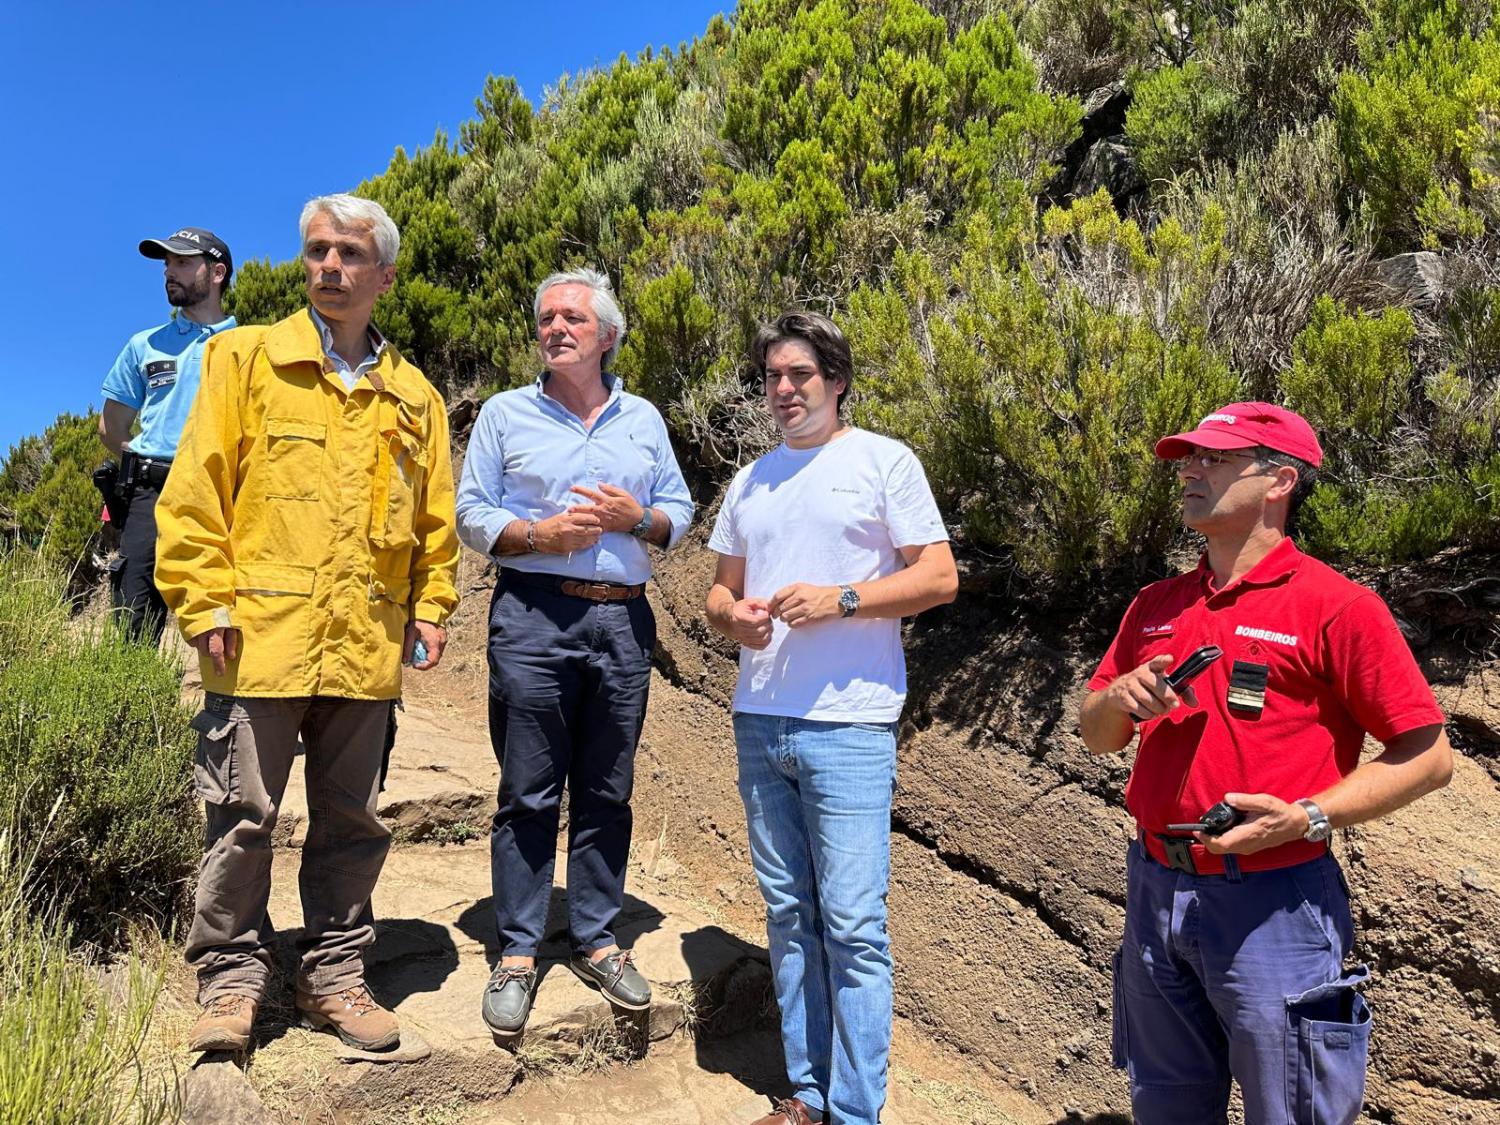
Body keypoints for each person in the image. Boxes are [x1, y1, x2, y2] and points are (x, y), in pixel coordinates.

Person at [1078, 402, 1454, 1125]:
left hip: (1274, 902)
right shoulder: (1157, 603)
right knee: (1166, 1107)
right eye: (1189, 457)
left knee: (1293, 1110)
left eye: (1213, 458)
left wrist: (1308, 814)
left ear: (1280, 480)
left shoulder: (1337, 606)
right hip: (1156, 888)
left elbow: (1429, 755)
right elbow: (1097, 733)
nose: (1190, 469)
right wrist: (1117, 698)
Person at [155, 194, 459, 1054]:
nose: (329, 266)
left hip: (363, 646)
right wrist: (203, 596)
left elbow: (435, 523)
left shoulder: (415, 398)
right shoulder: (244, 358)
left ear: (384, 275)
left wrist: (432, 605)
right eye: (317, 250)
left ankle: (332, 971)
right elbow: (196, 491)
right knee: (243, 815)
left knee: (351, 820)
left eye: (349, 253)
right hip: (256, 639)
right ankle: (232, 977)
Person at [705, 311, 958, 1125]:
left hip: (849, 725)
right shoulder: (751, 480)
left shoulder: (883, 461)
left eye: (799, 375)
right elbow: (717, 589)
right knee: (788, 914)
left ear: (837, 380)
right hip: (760, 718)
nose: (783, 389)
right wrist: (730, 618)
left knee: (851, 923)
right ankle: (806, 1095)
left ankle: (856, 1110)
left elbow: (940, 577)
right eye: (773, 376)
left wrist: (840, 597)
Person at [455, 267, 694, 1038]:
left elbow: (681, 512)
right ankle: (519, 950)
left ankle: (596, 935)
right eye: (547, 317)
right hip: (533, 615)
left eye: (573, 318)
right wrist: (537, 537)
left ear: (608, 335)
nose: (556, 327)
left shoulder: (644, 419)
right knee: (528, 788)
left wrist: (641, 518)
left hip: (623, 622)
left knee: (607, 788)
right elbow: (470, 512)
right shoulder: (503, 414)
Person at [99, 227, 235, 642]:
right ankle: (125, 706)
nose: (168, 273)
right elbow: (111, 428)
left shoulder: (248, 346)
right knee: (132, 625)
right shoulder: (144, 345)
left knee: (234, 616)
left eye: (181, 262)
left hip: (224, 495)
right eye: (166, 265)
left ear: (216, 272)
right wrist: (149, 461)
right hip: (151, 496)